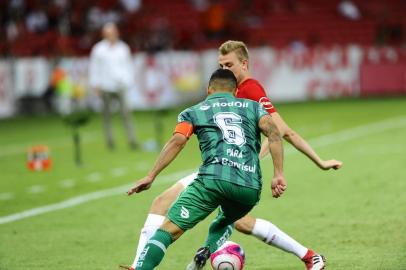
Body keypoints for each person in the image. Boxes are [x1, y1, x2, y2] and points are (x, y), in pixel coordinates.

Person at [121, 40, 342, 270]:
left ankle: (141, 266)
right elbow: (274, 132)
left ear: (243, 64)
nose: (225, 70)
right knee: (235, 220)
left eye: (229, 65)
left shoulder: (250, 89)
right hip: (243, 176)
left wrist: (310, 162)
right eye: (221, 65)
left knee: (168, 207)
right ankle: (306, 256)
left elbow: (282, 130)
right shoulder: (243, 97)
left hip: (221, 168)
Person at [127, 68, 286, 270]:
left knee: (167, 232)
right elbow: (273, 134)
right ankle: (206, 251)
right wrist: (278, 174)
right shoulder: (254, 108)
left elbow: (178, 141)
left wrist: (151, 175)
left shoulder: (193, 112)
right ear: (236, 91)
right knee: (225, 220)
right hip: (249, 186)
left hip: (211, 181)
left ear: (208, 90)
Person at [89, 22, 138, 150]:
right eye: (108, 33)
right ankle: (110, 141)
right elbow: (94, 68)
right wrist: (96, 85)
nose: (111, 35)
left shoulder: (123, 48)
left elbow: (128, 66)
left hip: (121, 85)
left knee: (126, 114)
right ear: (104, 35)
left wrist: (128, 81)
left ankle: (132, 140)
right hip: (105, 86)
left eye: (112, 32)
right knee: (107, 116)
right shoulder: (98, 49)